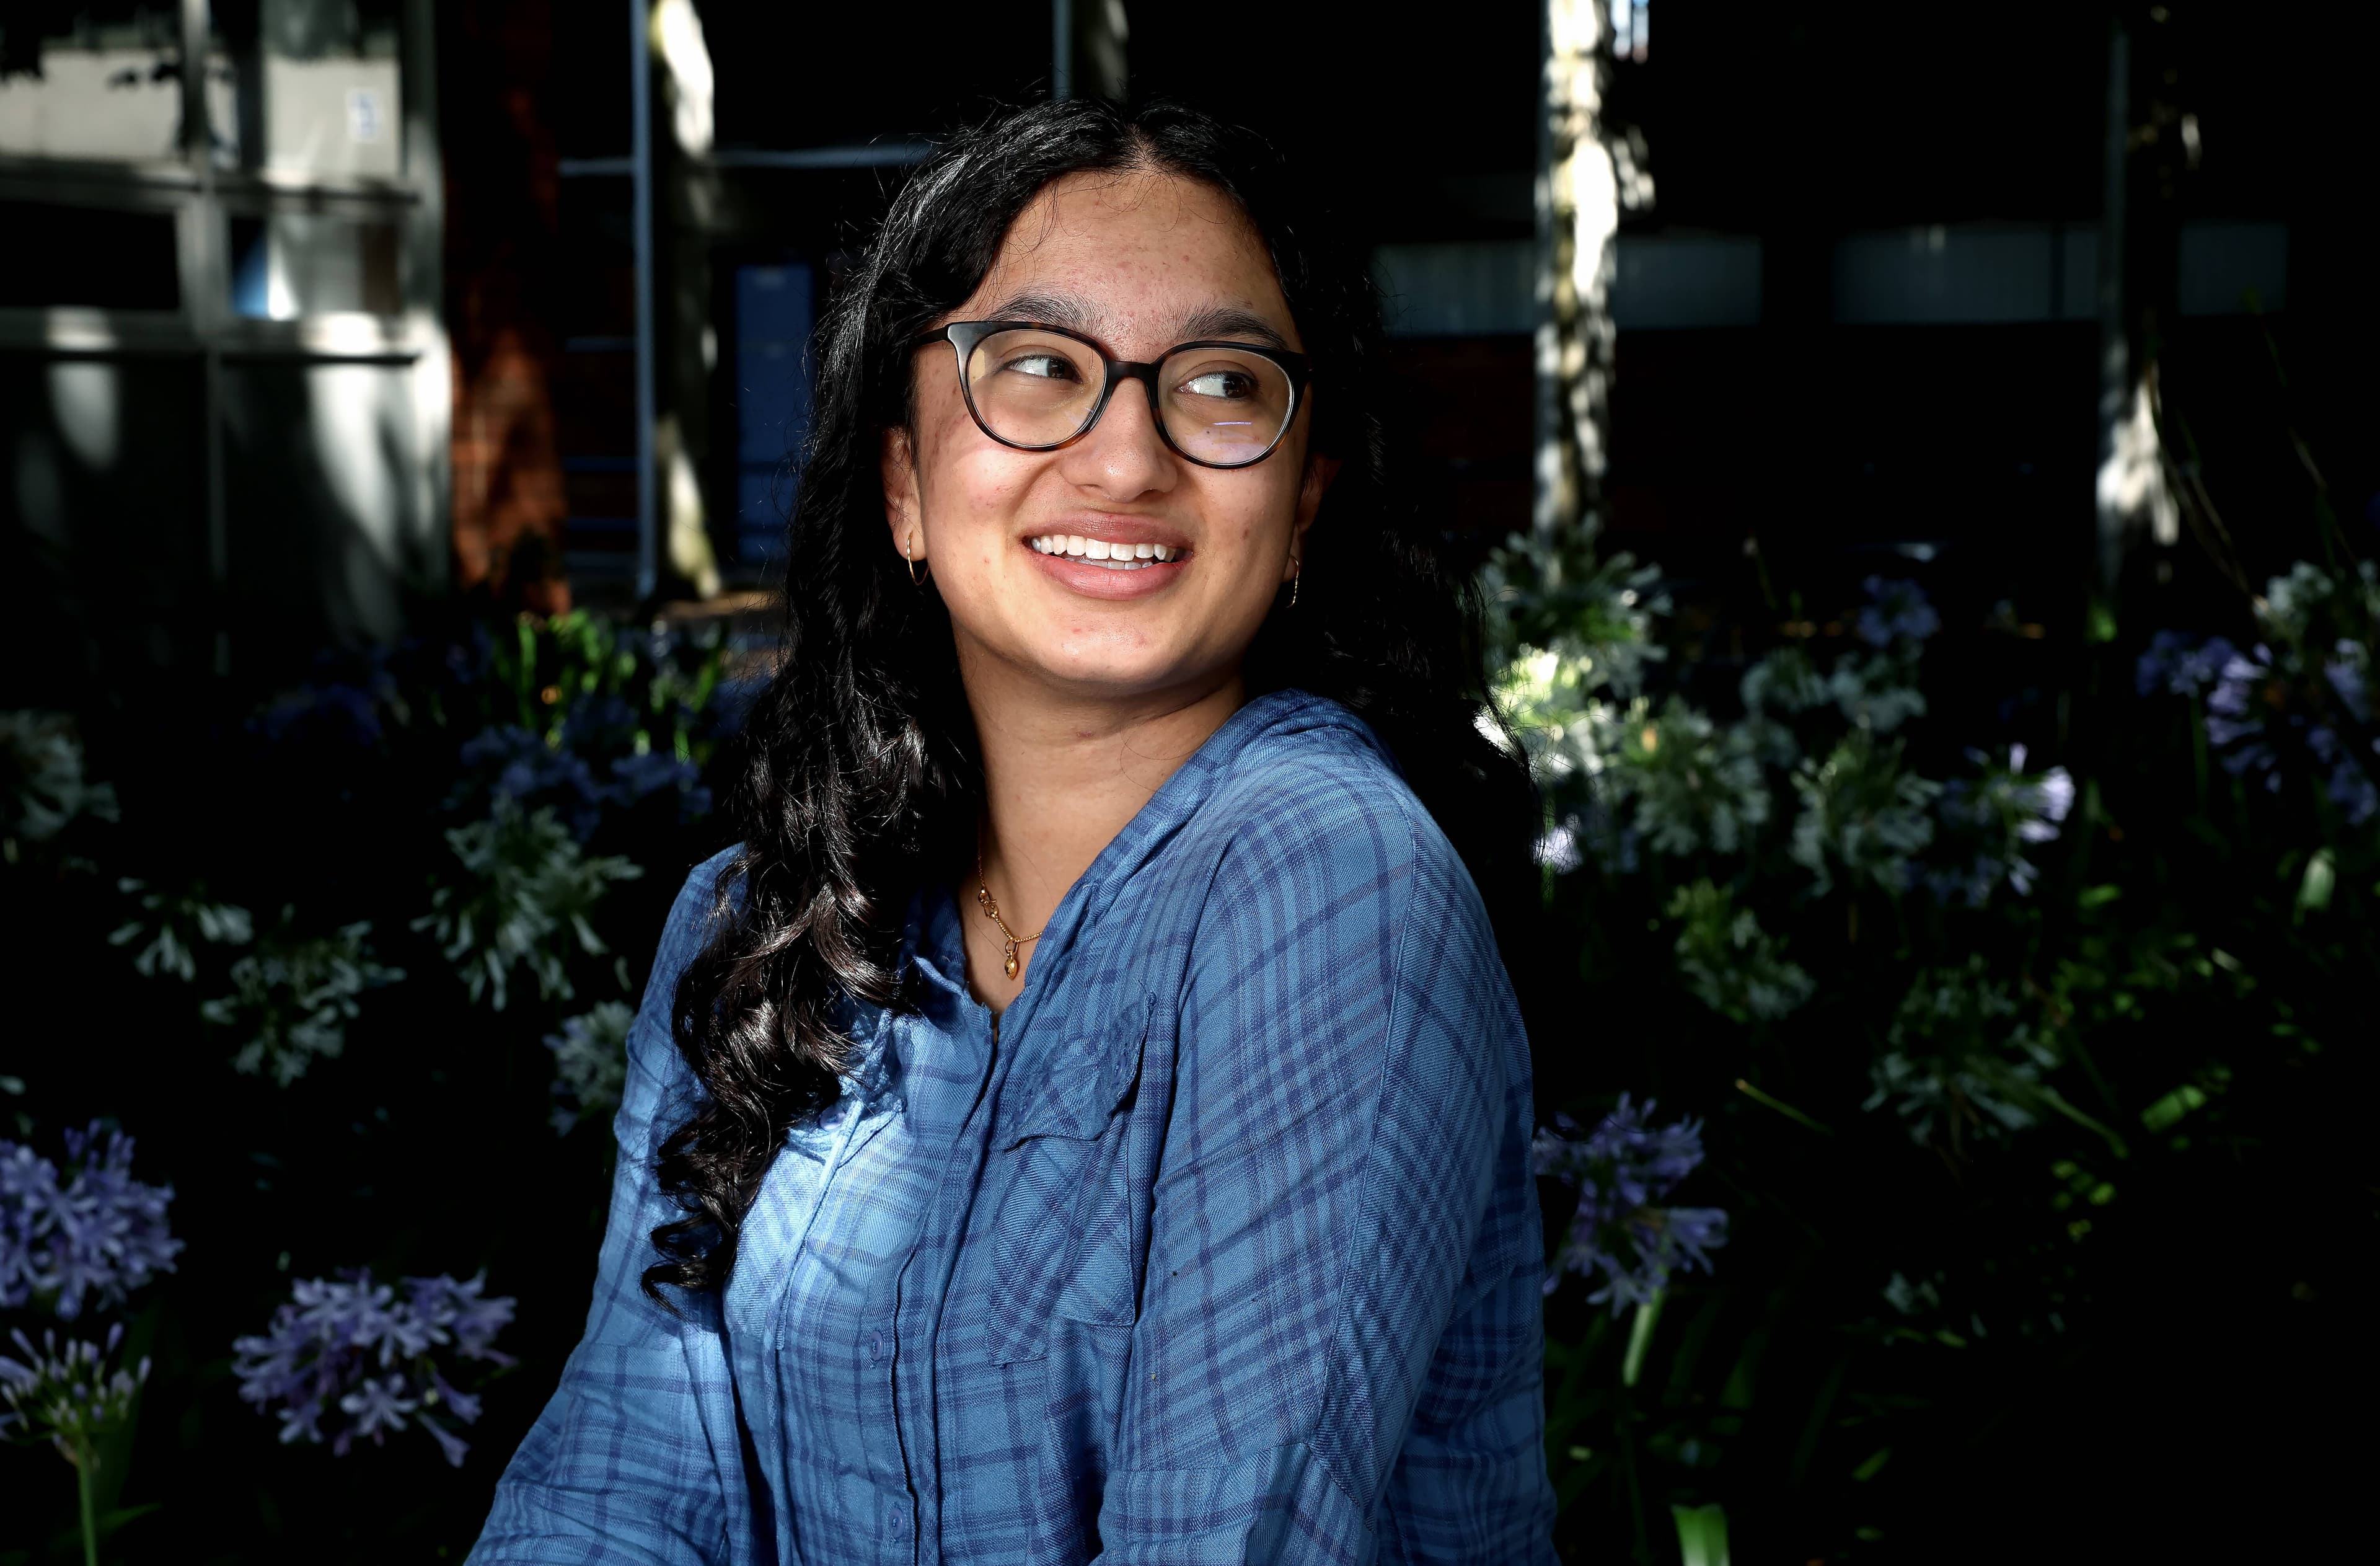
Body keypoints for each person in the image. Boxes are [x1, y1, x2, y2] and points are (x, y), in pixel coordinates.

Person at [468, 97, 1555, 1565]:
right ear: (906, 482)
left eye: (1222, 384)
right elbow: (619, 1490)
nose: (1124, 461)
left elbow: (1228, 1542)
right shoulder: (761, 924)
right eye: (1037, 368)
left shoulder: (1330, 880)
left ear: (1305, 504)